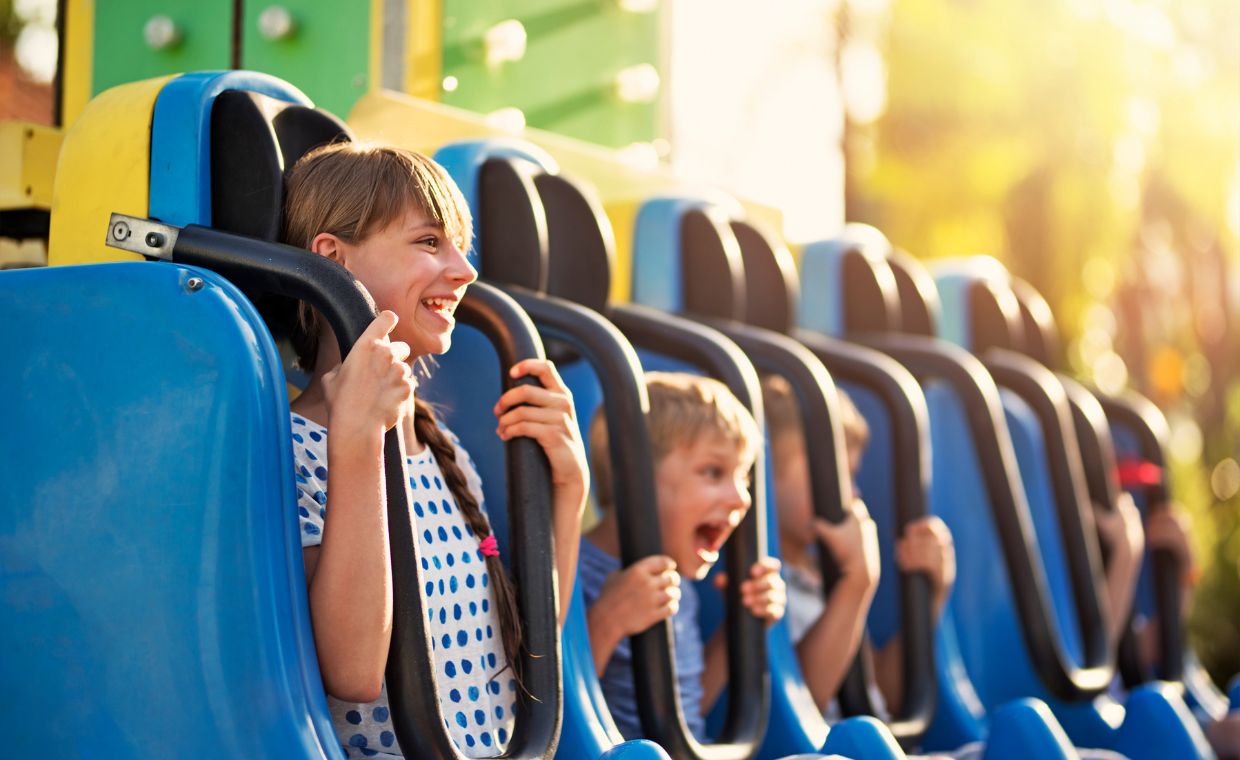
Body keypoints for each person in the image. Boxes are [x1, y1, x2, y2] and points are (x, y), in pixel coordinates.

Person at [281, 142, 589, 758]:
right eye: (429, 243)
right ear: (333, 260)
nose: (464, 270)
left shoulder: (443, 450)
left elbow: (521, 650)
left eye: (460, 246)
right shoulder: (292, 448)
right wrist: (358, 442)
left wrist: (569, 491)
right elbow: (354, 670)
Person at [579, 372, 787, 740]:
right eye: (714, 472)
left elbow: (681, 715)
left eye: (744, 477)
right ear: (635, 474)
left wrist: (740, 625)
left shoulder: (678, 579)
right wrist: (608, 621)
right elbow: (553, 713)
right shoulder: (576, 572)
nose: (741, 498)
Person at [761, 375, 955, 715]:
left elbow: (878, 694)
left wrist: (932, 596)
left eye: (853, 476)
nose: (853, 493)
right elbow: (801, 707)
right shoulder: (763, 584)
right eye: (837, 475)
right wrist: (857, 582)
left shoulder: (823, 572)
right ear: (764, 473)